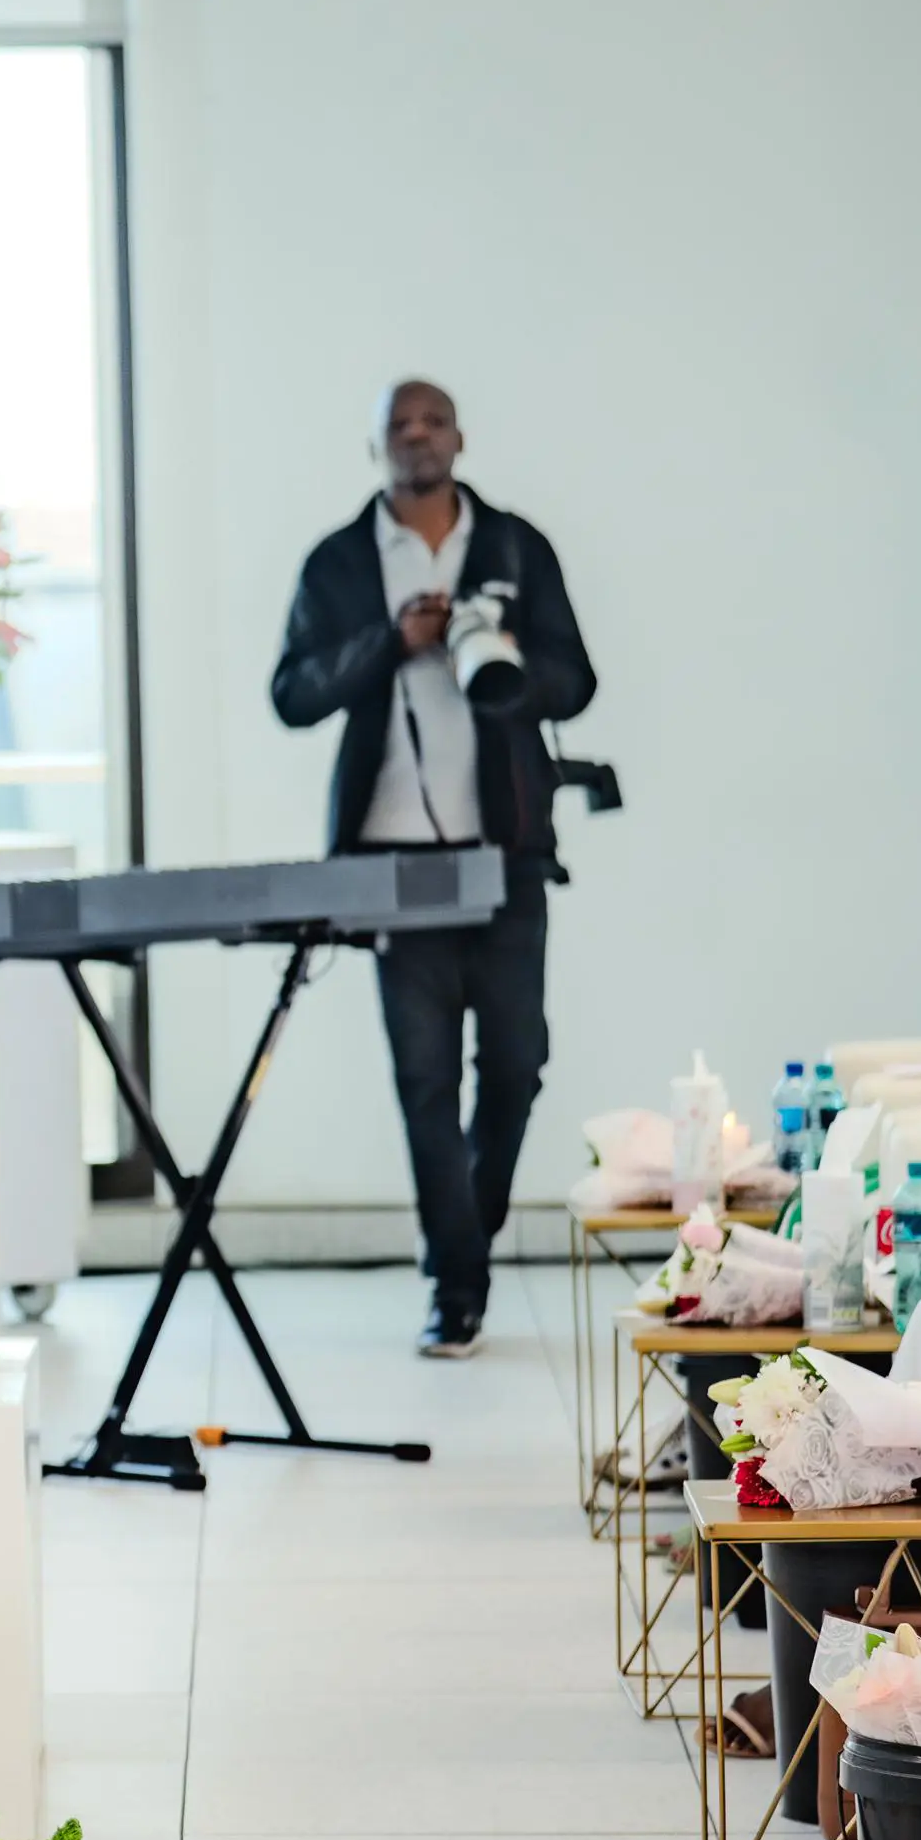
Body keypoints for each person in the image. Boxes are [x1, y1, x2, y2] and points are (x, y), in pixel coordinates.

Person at [271, 379, 596, 1359]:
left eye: (430, 422)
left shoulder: (511, 547)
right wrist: (391, 643)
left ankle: (464, 1231)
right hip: (387, 860)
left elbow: (574, 679)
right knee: (421, 1078)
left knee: (514, 1065)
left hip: (502, 849)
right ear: (371, 445)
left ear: (459, 436)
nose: (415, 437)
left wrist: (490, 649)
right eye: (395, 426)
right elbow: (289, 691)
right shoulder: (338, 561)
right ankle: (455, 1285)